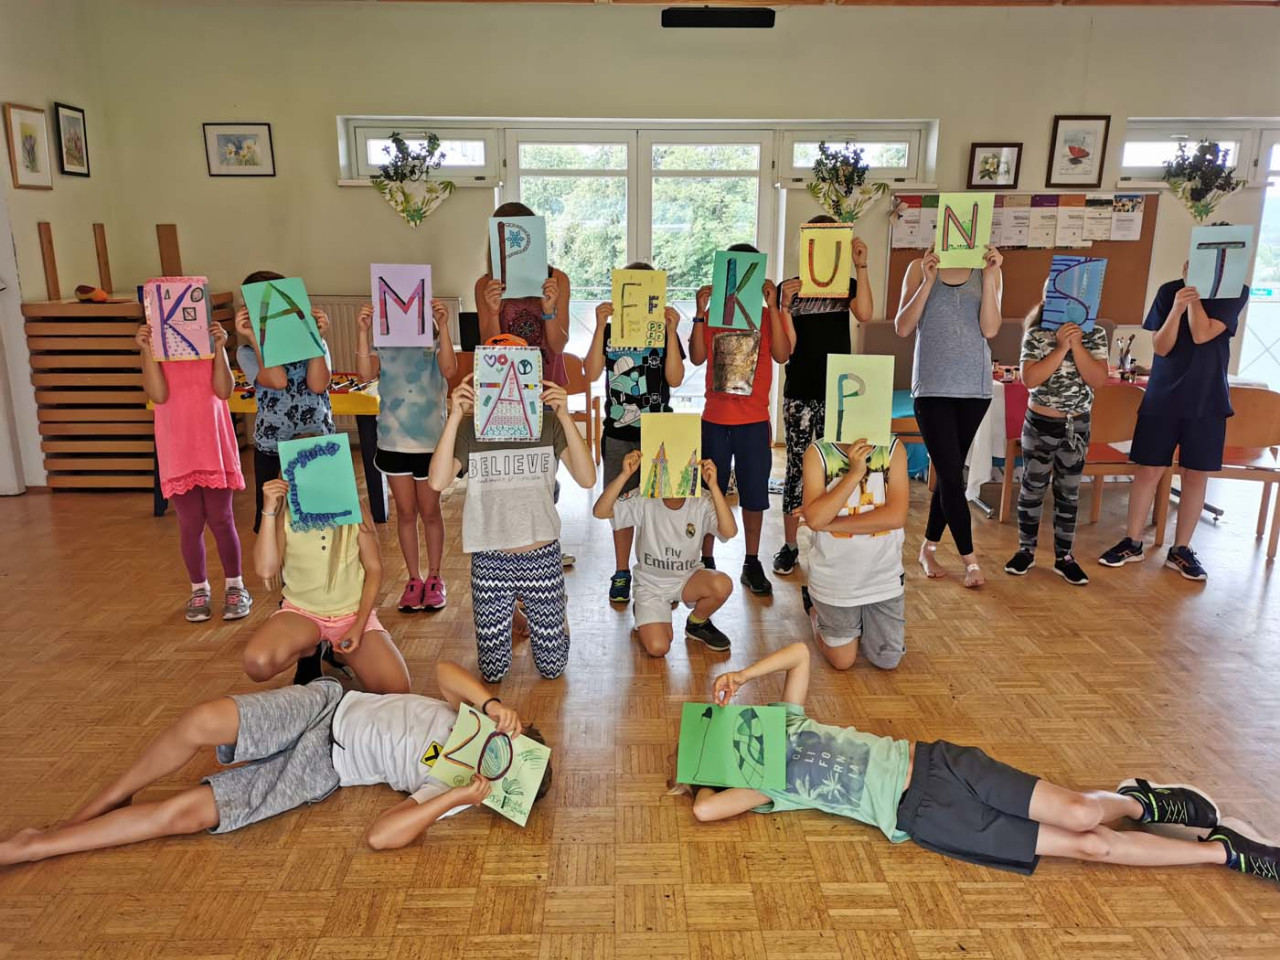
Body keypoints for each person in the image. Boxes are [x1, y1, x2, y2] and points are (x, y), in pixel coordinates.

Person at [676, 643, 1279, 885]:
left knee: (1078, 811)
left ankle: (1138, 800)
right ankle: (1224, 851)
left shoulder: (787, 721)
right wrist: (700, 772)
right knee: (1091, 845)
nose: (736, 732)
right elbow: (705, 812)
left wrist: (742, 676)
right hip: (929, 818)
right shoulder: (764, 788)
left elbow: (801, 655)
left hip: (940, 766)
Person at [0, 661, 551, 864]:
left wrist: (458, 795)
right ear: (512, 735)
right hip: (327, 706)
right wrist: (493, 706)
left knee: (190, 815)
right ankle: (103, 801)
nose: (497, 760)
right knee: (199, 722)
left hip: (325, 768)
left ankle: (36, 845)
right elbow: (446, 671)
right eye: (510, 749)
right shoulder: (470, 717)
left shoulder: (454, 795)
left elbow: (381, 837)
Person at [428, 338, 597, 683]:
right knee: (493, 672)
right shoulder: (471, 428)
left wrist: (564, 416)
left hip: (541, 555)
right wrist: (455, 416)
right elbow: (437, 481)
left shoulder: (547, 424)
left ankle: (555, 612)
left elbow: (587, 477)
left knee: (552, 668)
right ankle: (519, 614)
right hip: (491, 559)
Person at [1099, 260, 1249, 581]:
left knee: (1195, 475)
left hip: (1207, 399)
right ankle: (1132, 542)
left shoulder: (1235, 292)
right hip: (1163, 396)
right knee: (1148, 470)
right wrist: (1178, 306)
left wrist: (1194, 299)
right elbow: (1161, 346)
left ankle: (1181, 550)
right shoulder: (1169, 291)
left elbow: (1202, 334)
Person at [894, 243, 1004, 588]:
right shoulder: (919, 267)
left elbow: (990, 329)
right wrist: (928, 281)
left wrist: (990, 277)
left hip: (974, 390)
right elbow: (903, 327)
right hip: (931, 388)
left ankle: (928, 548)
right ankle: (970, 560)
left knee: (948, 474)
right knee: (952, 477)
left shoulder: (988, 270)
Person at [772, 216, 874, 576]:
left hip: (840, 394)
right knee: (797, 467)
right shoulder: (790, 288)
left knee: (840, 467)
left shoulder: (847, 286)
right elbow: (785, 351)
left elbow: (866, 314)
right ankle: (789, 545)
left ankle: (832, 540)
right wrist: (784, 307)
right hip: (800, 392)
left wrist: (861, 266)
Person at [242, 478, 408, 693]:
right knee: (257, 664)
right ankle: (310, 649)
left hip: (351, 615)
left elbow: (374, 569)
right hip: (302, 614)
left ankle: (336, 653)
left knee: (397, 690)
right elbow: (265, 570)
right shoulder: (287, 516)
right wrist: (268, 511)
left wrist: (359, 626)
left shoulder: (354, 507)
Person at [583, 262, 686, 604]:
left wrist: (672, 331)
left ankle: (659, 570)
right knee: (620, 506)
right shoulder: (612, 332)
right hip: (618, 433)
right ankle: (621, 570)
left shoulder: (664, 331)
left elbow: (675, 378)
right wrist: (600, 326)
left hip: (659, 432)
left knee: (661, 507)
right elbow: (590, 372)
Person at [690, 243, 789, 596]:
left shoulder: (764, 316)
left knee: (754, 493)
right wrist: (699, 312)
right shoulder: (714, 315)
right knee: (709, 490)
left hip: (753, 421)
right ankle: (706, 558)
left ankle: (751, 560)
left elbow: (782, 354)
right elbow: (696, 357)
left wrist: (773, 307)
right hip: (715, 419)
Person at [136, 316, 250, 623]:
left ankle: (235, 585)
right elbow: (158, 395)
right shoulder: (156, 352)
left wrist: (220, 347)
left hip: (213, 444)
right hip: (178, 448)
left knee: (221, 518)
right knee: (190, 523)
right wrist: (146, 349)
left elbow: (224, 391)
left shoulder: (208, 346)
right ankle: (199, 589)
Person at [355, 298, 458, 612]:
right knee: (405, 512)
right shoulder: (384, 341)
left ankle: (435, 577)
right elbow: (364, 376)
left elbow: (449, 370)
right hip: (393, 443)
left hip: (430, 445)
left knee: (430, 511)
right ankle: (414, 579)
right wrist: (363, 332)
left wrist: (443, 326)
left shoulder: (433, 339)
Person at [593, 450, 737, 655]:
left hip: (687, 579)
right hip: (651, 586)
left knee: (722, 584)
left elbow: (730, 531)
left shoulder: (701, 500)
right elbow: (600, 512)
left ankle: (697, 623)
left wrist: (713, 486)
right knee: (659, 647)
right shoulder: (645, 497)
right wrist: (625, 474)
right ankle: (644, 610)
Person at [1006, 301, 1109, 585]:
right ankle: (1025, 550)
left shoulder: (1095, 334)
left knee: (1069, 492)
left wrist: (1077, 345)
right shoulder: (1037, 334)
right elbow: (1030, 379)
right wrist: (1061, 347)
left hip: (1077, 425)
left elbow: (1098, 379)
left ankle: (1064, 557)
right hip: (1040, 423)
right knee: (1032, 488)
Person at [234, 270, 335, 533]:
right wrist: (255, 337)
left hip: (316, 439)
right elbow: (277, 380)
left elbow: (318, 384)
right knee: (270, 519)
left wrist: (315, 338)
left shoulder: (313, 345)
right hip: (273, 446)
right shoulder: (247, 352)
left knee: (321, 516)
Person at [800, 436, 908, 670]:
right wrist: (855, 473)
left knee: (887, 660)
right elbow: (816, 519)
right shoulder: (817, 453)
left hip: (883, 578)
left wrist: (829, 525)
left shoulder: (893, 448)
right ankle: (814, 611)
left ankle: (857, 625)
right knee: (843, 661)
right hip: (835, 581)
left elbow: (895, 516)